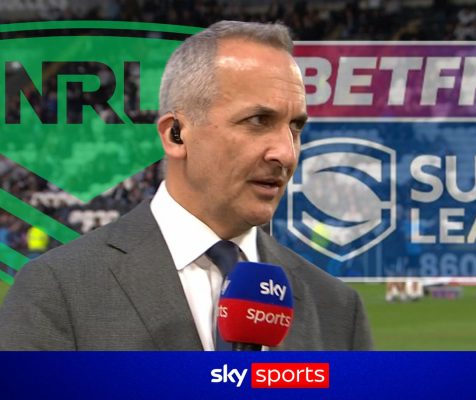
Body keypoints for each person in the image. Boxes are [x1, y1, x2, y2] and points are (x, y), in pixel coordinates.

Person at [0, 20, 373, 350]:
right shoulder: (57, 292)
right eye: (258, 121)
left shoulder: (338, 310)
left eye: (296, 127)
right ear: (176, 135)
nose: (286, 153)